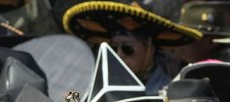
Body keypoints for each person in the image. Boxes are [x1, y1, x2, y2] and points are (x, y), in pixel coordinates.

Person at [62, 1, 202, 94]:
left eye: (127, 48)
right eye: (113, 49)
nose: (119, 55)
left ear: (150, 49)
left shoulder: (168, 93)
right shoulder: (96, 90)